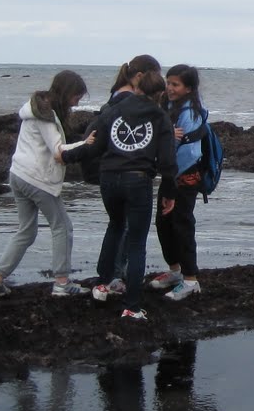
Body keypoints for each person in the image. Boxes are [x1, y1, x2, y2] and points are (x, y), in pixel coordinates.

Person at [0, 70, 96, 298]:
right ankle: (62, 283)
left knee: (26, 231)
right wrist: (86, 143)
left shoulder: (34, 109)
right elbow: (58, 151)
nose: (76, 103)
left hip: (18, 175)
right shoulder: (46, 115)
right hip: (37, 179)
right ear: (67, 92)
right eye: (76, 97)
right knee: (63, 227)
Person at [77, 70, 176, 321]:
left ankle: (102, 285)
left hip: (108, 178)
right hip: (138, 180)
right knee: (136, 243)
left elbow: (94, 146)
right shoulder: (160, 118)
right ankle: (131, 306)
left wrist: (66, 156)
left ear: (137, 88)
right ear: (160, 93)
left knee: (114, 226)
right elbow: (167, 161)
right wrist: (168, 192)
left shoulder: (114, 111)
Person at [150, 64, 208, 301]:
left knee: (182, 224)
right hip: (169, 174)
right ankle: (175, 271)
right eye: (168, 82)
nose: (170, 87)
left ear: (189, 88)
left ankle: (191, 279)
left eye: (175, 84)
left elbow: (183, 149)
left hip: (185, 176)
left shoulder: (191, 112)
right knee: (163, 223)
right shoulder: (169, 106)